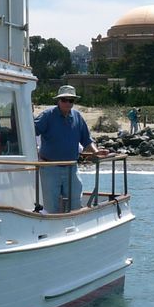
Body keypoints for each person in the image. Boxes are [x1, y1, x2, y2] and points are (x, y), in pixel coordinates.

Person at [34, 85, 104, 213]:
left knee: (75, 205)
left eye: (71, 100)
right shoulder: (47, 115)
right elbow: (30, 132)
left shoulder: (77, 116)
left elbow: (86, 139)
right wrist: (35, 155)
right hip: (50, 168)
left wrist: (96, 152)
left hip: (72, 168)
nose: (67, 103)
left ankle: (73, 225)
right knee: (51, 207)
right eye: (64, 100)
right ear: (58, 100)